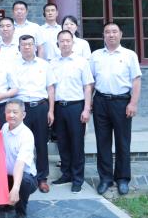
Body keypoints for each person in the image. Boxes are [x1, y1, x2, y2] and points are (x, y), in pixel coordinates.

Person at [90, 22, 142, 196]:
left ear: (121, 34)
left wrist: (133, 103)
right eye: (107, 32)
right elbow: (91, 81)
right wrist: (89, 102)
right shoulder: (96, 55)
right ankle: (105, 178)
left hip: (122, 102)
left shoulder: (129, 55)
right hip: (100, 101)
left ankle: (122, 179)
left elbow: (136, 80)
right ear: (103, 36)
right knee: (102, 142)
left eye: (114, 31)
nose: (111, 35)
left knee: (122, 142)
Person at [50, 30, 94, 193]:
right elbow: (51, 88)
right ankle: (66, 174)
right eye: (62, 41)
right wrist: (51, 110)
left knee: (77, 144)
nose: (65, 43)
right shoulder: (53, 63)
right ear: (58, 43)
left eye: (68, 40)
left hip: (76, 106)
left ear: (73, 42)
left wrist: (86, 109)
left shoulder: (81, 62)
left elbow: (88, 87)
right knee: (62, 143)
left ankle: (77, 178)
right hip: (59, 107)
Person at [11, 34, 56, 193]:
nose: (27, 47)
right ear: (19, 47)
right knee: (20, 144)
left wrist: (51, 110)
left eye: (30, 44)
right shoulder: (13, 65)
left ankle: (42, 178)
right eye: (23, 45)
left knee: (41, 143)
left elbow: (51, 88)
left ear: (35, 47)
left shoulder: (44, 65)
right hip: (21, 108)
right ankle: (22, 176)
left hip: (40, 107)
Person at [2, 99, 38, 218]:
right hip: (7, 175)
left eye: (15, 112)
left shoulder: (26, 135)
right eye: (8, 112)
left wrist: (15, 188)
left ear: (23, 115)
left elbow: (20, 164)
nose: (11, 115)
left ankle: (21, 212)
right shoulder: (5, 127)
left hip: (25, 178)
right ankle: (8, 201)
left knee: (23, 181)